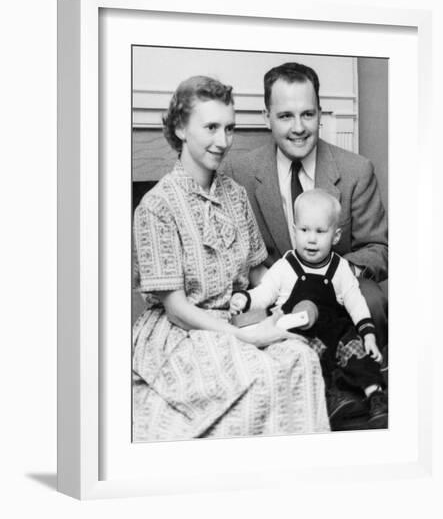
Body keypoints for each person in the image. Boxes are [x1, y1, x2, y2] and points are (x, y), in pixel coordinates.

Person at [132, 75, 330, 442]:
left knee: (301, 358)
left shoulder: (235, 195)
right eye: (210, 127)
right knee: (257, 373)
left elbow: (258, 272)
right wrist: (247, 337)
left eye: (229, 128)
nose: (223, 141)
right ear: (179, 128)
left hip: (240, 315)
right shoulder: (157, 206)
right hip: (186, 331)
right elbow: (176, 309)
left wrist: (284, 307)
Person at [222, 62, 388, 351]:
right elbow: (233, 251)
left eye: (308, 114)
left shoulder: (357, 170)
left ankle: (356, 385)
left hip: (337, 291)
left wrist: (334, 273)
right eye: (285, 116)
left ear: (320, 114)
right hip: (275, 290)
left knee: (372, 299)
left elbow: (379, 249)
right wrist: (266, 282)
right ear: (267, 117)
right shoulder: (240, 172)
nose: (298, 128)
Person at [230, 189, 388, 428]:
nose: (311, 239)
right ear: (295, 231)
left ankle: (375, 396)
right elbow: (265, 293)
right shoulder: (286, 266)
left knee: (359, 355)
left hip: (337, 330)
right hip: (300, 334)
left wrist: (368, 335)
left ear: (335, 236)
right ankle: (330, 399)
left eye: (320, 232)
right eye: (304, 230)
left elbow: (356, 302)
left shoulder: (340, 267)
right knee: (309, 360)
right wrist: (245, 299)